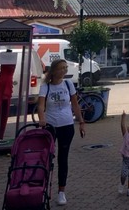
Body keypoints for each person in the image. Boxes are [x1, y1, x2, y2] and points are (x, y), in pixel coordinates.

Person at [37, 59, 86, 206]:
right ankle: (42, 188)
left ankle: (61, 192)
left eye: (65, 68)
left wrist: (81, 122)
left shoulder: (68, 84)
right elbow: (41, 106)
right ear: (54, 71)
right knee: (46, 158)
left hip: (67, 125)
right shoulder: (45, 86)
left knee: (63, 158)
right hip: (50, 126)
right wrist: (42, 119)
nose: (64, 71)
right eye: (61, 68)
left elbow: (75, 105)